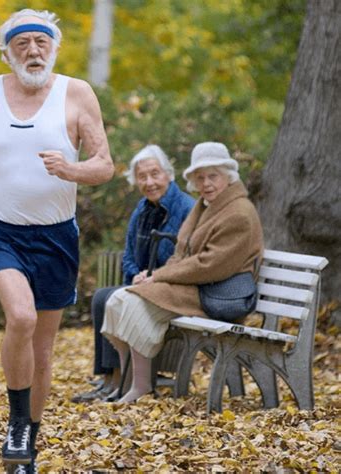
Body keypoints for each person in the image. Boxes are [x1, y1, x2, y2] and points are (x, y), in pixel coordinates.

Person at [0, 8, 114, 471]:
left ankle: (28, 443)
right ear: (8, 53)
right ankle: (16, 425)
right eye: (22, 43)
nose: (33, 50)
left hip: (55, 235)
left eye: (41, 42)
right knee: (21, 317)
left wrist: (73, 170)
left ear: (55, 48)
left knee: (43, 353)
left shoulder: (77, 93)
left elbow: (104, 163)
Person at [101, 141, 264, 403]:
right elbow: (181, 252)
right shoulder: (206, 205)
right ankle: (131, 382)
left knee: (130, 302)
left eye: (213, 176)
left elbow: (209, 265)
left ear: (229, 176)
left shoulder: (239, 213)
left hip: (217, 293)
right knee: (117, 301)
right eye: (200, 177)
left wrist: (159, 277)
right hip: (196, 286)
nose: (206, 183)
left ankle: (141, 387)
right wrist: (150, 276)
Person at [72, 145, 195, 403]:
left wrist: (156, 274)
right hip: (144, 283)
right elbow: (128, 254)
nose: (149, 182)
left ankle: (120, 379)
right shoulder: (142, 210)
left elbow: (187, 258)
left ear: (168, 175)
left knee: (109, 298)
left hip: (170, 286)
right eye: (142, 176)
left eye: (155, 174)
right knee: (101, 297)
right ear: (135, 180)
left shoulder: (186, 208)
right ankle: (110, 378)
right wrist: (136, 273)